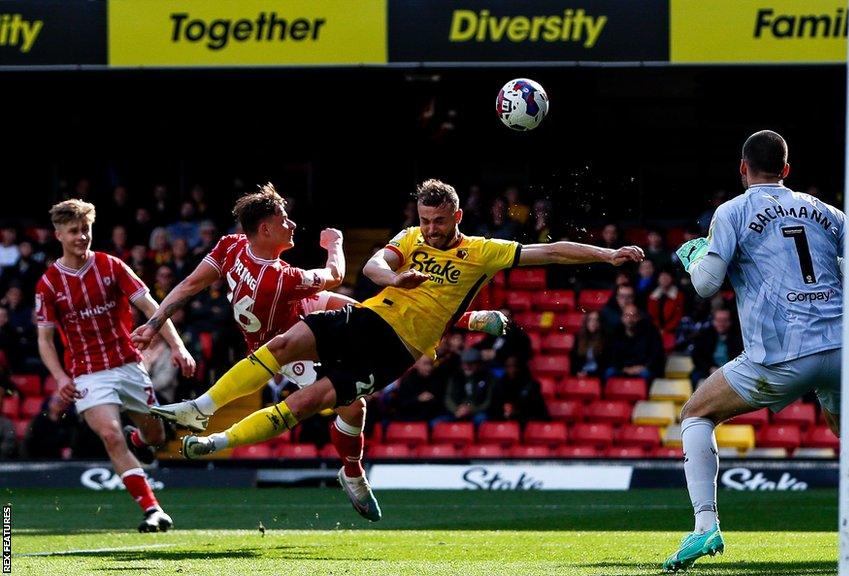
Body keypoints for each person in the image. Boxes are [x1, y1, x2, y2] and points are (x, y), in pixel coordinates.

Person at [155, 178, 642, 467]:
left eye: (437, 220)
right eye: (424, 219)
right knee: (285, 344)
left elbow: (552, 251)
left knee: (308, 401)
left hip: (398, 350)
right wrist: (396, 276)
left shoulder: (483, 253)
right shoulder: (410, 237)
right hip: (367, 318)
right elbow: (371, 268)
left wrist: (607, 253)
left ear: (456, 214)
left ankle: (217, 442)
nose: (429, 228)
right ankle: (200, 408)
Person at [135, 183, 513, 521]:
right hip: (289, 346)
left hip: (300, 314)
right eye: (284, 219)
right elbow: (334, 273)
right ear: (265, 228)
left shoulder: (231, 246)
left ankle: (469, 319)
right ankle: (344, 469)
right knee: (350, 404)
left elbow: (187, 285)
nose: (293, 225)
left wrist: (154, 322)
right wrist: (335, 245)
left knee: (372, 307)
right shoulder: (282, 277)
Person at [662, 130, 849, 571]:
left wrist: (695, 256)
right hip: (844, 350)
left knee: (696, 413)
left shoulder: (732, 212)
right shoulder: (827, 212)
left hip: (781, 355)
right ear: (787, 171)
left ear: (742, 168)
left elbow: (706, 285)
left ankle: (704, 527)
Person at [35, 199, 196, 533]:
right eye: (74, 231)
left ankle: (139, 439)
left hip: (127, 365)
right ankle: (153, 509)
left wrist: (178, 346)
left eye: (86, 230)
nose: (81, 237)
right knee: (110, 435)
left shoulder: (112, 266)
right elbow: (45, 340)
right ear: (59, 235)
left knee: (156, 436)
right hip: (87, 373)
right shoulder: (49, 284)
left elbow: (153, 307)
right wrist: (60, 376)